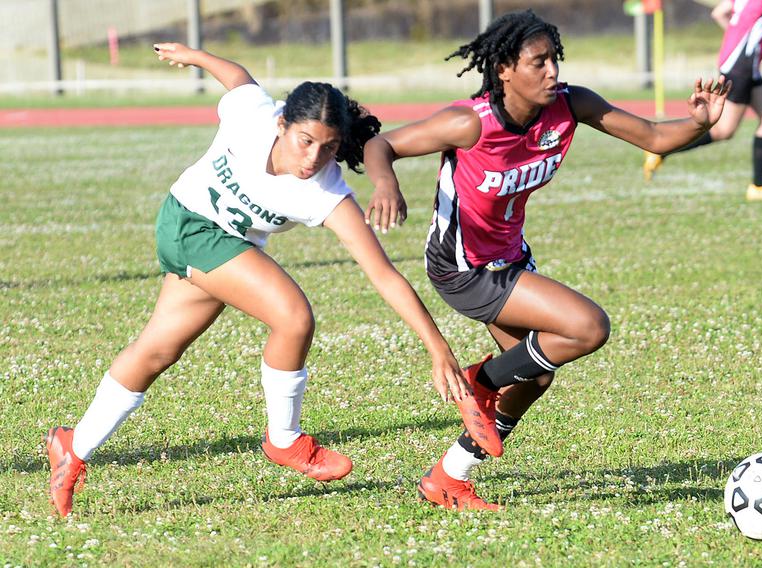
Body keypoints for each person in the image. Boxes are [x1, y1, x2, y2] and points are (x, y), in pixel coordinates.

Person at [44, 42, 473, 518]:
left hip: (222, 245)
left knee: (156, 352)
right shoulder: (253, 115)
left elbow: (384, 275)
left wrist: (438, 347)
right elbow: (237, 75)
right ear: (282, 124)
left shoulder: (326, 189)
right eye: (304, 140)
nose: (314, 156)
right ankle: (285, 440)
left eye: (328, 146)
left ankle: (72, 447)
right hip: (187, 223)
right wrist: (194, 55)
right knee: (292, 315)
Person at [363, 9, 730, 511]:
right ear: (505, 70)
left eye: (555, 59)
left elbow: (653, 137)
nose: (552, 71)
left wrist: (698, 122)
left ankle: (448, 477)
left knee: (534, 375)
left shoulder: (569, 104)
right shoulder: (469, 122)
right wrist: (386, 183)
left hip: (509, 260)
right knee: (587, 327)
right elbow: (381, 144)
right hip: (462, 268)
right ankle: (480, 382)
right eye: (539, 62)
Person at [643, 0, 762, 202]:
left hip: (738, 63)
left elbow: (719, 13)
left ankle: (759, 185)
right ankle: (662, 149)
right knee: (724, 130)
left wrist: (736, 35)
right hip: (743, 67)